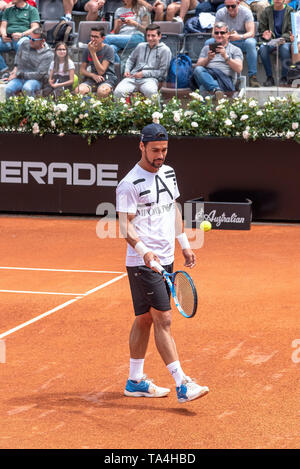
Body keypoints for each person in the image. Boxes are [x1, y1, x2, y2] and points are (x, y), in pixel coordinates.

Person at [116, 122, 210, 403]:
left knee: (144, 319)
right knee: (163, 318)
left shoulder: (169, 173)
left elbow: (174, 209)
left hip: (167, 258)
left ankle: (134, 381)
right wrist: (144, 251)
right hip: (142, 262)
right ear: (141, 146)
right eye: (155, 150)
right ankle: (182, 384)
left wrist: (185, 245)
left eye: (164, 150)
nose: (160, 155)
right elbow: (124, 226)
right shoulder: (128, 184)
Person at [114, 23, 171, 99]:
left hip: (150, 80)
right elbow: (130, 59)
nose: (150, 38)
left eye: (153, 35)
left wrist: (144, 73)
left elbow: (162, 72)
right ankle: (122, 111)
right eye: (148, 35)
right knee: (118, 92)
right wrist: (127, 70)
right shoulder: (141, 46)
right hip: (133, 77)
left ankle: (156, 111)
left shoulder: (165, 50)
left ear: (159, 36)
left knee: (151, 92)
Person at [214, 0, 261, 87]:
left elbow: (251, 33)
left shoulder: (246, 12)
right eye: (228, 6)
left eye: (233, 6)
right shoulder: (220, 12)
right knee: (208, 42)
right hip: (226, 40)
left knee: (251, 43)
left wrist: (239, 36)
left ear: (238, 4)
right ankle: (214, 74)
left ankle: (252, 77)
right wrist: (225, 37)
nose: (230, 8)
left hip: (242, 40)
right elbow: (214, 32)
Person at [193, 21, 243, 99]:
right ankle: (217, 90)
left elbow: (239, 68)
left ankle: (215, 92)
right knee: (198, 69)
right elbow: (197, 66)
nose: (219, 35)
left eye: (222, 33)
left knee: (203, 87)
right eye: (216, 33)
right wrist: (208, 59)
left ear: (228, 34)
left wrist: (226, 57)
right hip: (209, 77)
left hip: (225, 80)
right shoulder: (207, 48)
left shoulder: (235, 50)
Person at [5, 27, 53, 98]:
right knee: (8, 89)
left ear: (42, 41)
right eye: (30, 38)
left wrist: (18, 74)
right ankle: (11, 108)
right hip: (19, 77)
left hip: (36, 80)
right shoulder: (25, 43)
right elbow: (18, 56)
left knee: (27, 88)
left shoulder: (48, 54)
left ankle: (30, 108)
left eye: (33, 40)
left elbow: (39, 74)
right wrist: (15, 68)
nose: (30, 41)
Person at [0, 0, 40, 80]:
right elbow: (3, 26)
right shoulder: (8, 10)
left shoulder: (32, 10)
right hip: (8, 38)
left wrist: (22, 34)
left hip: (23, 37)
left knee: (23, 44)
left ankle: (17, 71)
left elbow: (35, 27)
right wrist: (3, 34)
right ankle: (4, 71)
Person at [258, 0, 293, 86]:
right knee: (262, 48)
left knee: (284, 49)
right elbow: (261, 29)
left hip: (285, 41)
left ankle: (284, 77)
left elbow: (292, 30)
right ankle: (269, 77)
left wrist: (283, 38)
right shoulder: (267, 11)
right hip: (271, 41)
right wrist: (266, 34)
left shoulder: (290, 11)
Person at [77, 26, 117, 98]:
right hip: (92, 78)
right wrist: (92, 75)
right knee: (79, 90)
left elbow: (101, 72)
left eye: (96, 37)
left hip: (106, 78)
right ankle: (86, 109)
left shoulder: (108, 49)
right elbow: (82, 70)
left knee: (102, 91)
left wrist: (93, 53)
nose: (93, 39)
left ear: (103, 38)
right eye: (91, 36)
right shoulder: (87, 50)